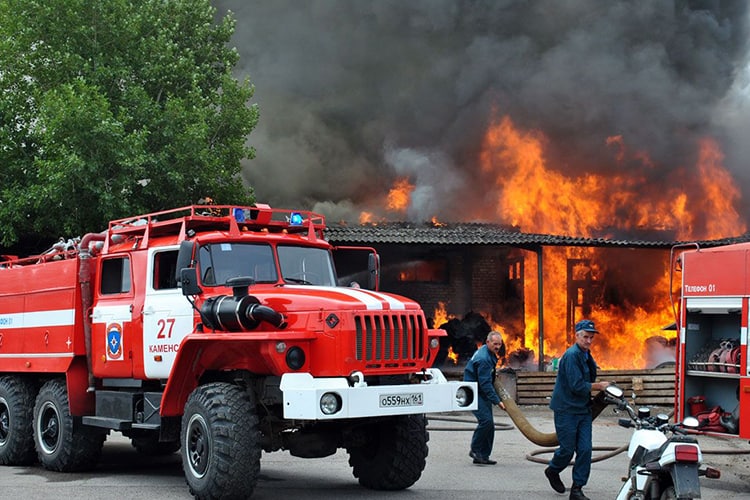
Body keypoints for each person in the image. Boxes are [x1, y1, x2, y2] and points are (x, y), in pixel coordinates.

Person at [544, 319, 611, 500]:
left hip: (582, 410)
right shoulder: (572, 355)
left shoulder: (586, 355)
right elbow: (576, 385)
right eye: (585, 337)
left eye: (591, 338)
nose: (589, 341)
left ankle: (577, 489)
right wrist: (600, 386)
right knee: (567, 449)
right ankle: (553, 470)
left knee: (585, 449)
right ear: (577, 336)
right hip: (566, 409)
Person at [463, 331, 506, 465]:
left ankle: (483, 456)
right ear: (488, 342)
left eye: (499, 344)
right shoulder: (484, 359)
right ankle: (475, 450)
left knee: (489, 425)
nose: (497, 346)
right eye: (495, 344)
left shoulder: (487, 353)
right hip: (474, 392)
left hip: (480, 391)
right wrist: (497, 401)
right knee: (486, 422)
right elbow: (485, 384)